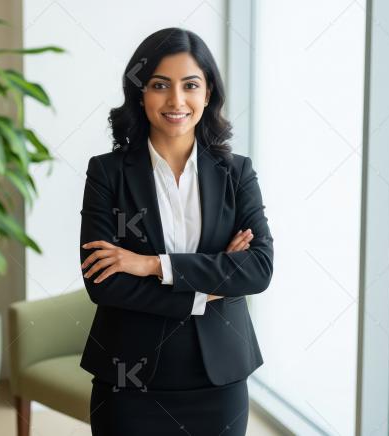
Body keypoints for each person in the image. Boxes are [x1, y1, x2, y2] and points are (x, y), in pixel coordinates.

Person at [78, 27, 274, 436]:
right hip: (129, 381)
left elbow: (258, 269)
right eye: (159, 85)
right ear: (140, 92)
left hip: (219, 379)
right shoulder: (107, 173)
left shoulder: (236, 173)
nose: (176, 101)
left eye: (190, 85)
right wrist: (214, 283)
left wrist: (150, 265)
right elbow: (104, 284)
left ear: (208, 94)